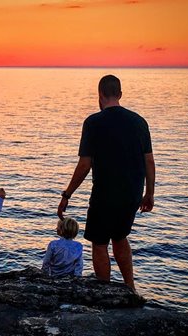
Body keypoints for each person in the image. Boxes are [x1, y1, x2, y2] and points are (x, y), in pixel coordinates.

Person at [57, 75, 155, 291]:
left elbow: (84, 165)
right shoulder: (139, 122)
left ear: (100, 94)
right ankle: (130, 288)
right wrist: (149, 193)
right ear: (120, 94)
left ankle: (105, 290)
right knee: (120, 237)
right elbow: (149, 160)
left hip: (105, 193)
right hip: (132, 193)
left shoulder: (93, 123)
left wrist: (67, 194)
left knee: (100, 242)